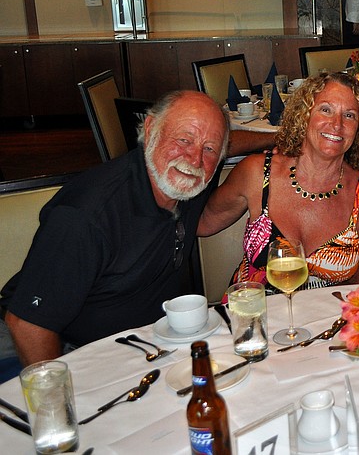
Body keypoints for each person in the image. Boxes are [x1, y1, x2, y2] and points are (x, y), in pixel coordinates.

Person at [1, 91, 231, 366]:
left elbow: (226, 144)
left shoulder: (186, 187)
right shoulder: (87, 216)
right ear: (150, 129)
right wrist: (57, 402)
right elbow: (27, 325)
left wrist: (274, 141)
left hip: (139, 346)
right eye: (183, 140)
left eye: (209, 149)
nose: (194, 159)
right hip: (55, 349)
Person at [199, 73, 359, 292]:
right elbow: (202, 223)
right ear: (305, 115)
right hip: (254, 314)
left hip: (329, 319)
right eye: (325, 110)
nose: (336, 124)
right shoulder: (257, 173)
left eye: (349, 115)